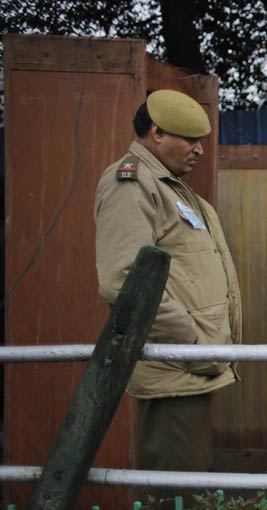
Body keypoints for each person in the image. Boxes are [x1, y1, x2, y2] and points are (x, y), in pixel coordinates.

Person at [94, 89, 242, 474]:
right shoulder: (130, 182)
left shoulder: (171, 187)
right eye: (189, 140)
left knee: (187, 490)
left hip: (190, 365)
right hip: (175, 364)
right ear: (157, 132)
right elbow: (124, 279)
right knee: (177, 500)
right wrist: (191, 342)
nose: (199, 150)